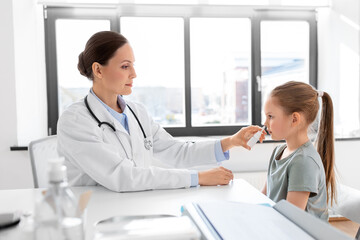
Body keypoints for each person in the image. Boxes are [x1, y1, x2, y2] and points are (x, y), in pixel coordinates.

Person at [57, 31, 265, 192]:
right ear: (98, 70)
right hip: (93, 211)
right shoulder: (75, 120)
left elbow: (176, 151)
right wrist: (198, 178)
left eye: (133, 65)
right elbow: (122, 176)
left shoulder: (136, 113)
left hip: (133, 205)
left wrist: (230, 142)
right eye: (125, 66)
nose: (134, 74)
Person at [261, 81, 336, 221]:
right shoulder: (278, 151)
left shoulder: (304, 161)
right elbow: (264, 197)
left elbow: (292, 218)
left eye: (270, 116)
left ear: (294, 119)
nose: (264, 123)